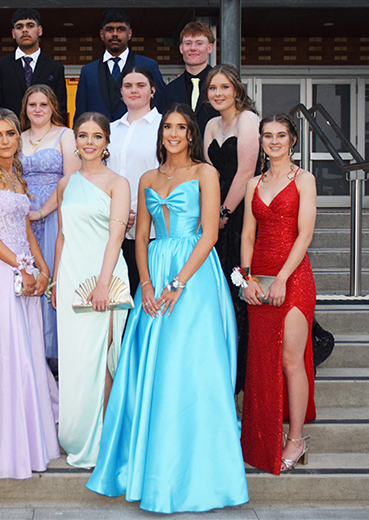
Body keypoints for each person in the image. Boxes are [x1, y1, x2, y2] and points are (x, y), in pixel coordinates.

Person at [86, 104, 248, 513]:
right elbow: (140, 236)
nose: (173, 134)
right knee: (151, 366)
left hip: (195, 275)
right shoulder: (147, 178)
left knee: (189, 366)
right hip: (154, 270)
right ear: (161, 135)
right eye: (167, 128)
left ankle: (197, 470)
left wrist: (178, 283)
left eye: (180, 128)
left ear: (191, 134)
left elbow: (209, 235)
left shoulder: (205, 173)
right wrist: (146, 284)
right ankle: (149, 461)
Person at [0, 108, 59, 479]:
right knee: (5, 353)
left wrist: (43, 269)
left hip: (25, 271)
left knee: (28, 352)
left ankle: (28, 434)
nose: (5, 140)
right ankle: (1, 443)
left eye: (10, 133)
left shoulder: (17, 175)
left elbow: (25, 229)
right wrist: (19, 266)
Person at [52, 112, 130, 468]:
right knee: (76, 360)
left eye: (96, 136)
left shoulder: (118, 183)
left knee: (103, 358)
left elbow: (116, 237)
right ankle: (78, 432)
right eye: (82, 135)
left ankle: (105, 439)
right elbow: (61, 236)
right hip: (71, 278)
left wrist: (102, 284)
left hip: (106, 278)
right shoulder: (65, 184)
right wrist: (56, 281)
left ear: (106, 143)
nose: (89, 142)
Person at [240, 113, 317, 474]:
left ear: (292, 140)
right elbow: (247, 235)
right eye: (268, 135)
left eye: (281, 135)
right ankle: (260, 438)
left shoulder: (304, 179)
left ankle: (296, 439)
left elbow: (305, 234)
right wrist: (247, 278)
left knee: (290, 361)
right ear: (260, 141)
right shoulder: (253, 183)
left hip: (293, 278)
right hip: (259, 278)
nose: (274, 141)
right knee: (261, 361)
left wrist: (283, 278)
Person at [203, 63, 260, 393]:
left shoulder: (247, 119)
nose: (218, 93)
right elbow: (208, 171)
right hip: (216, 210)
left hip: (241, 212)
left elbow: (246, 171)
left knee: (240, 285)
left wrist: (225, 211)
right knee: (221, 287)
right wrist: (210, 212)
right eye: (213, 88)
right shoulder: (211, 124)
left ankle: (246, 372)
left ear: (236, 89)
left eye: (224, 87)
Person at [20, 85, 79, 367]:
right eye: (32, 104)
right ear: (25, 108)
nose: (38, 109)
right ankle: (29, 350)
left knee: (54, 277)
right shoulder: (17, 137)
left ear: (53, 107)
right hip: (23, 218)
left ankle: (55, 356)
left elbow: (71, 179)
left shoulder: (65, 135)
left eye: (43, 104)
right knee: (26, 277)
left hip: (55, 214)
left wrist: (43, 211)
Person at [107, 67, 161, 295]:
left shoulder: (164, 127)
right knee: (117, 294)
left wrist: (141, 213)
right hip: (111, 228)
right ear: (121, 92)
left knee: (145, 292)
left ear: (152, 90)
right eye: (128, 86)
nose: (134, 90)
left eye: (141, 85)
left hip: (150, 228)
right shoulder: (109, 130)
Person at [74, 9, 166, 123]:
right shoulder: (88, 72)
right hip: (98, 133)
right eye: (109, 29)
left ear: (130, 33)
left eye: (121, 29)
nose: (115, 34)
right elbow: (81, 115)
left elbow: (160, 106)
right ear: (102, 34)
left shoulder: (149, 66)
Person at [0, 8, 68, 121]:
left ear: (39, 30)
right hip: (10, 129)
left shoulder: (55, 68)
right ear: (13, 33)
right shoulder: (0, 66)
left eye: (30, 26)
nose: (24, 30)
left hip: (45, 130)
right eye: (19, 27)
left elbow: (60, 110)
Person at [163, 21, 219, 136]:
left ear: (210, 48)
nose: (193, 48)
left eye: (199, 43)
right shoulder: (169, 90)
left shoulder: (223, 85)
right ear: (181, 48)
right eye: (188, 43)